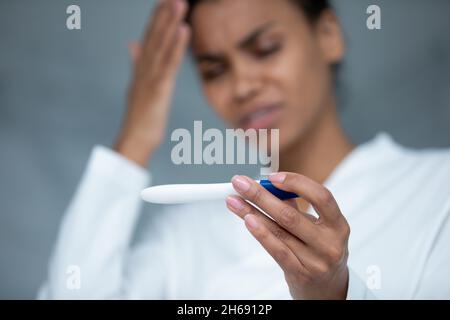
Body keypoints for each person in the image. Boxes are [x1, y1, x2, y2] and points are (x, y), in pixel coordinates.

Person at [39, 0, 450, 299]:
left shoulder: (437, 191)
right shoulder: (184, 233)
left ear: (328, 34)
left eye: (266, 49)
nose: (242, 86)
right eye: (215, 70)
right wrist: (134, 138)